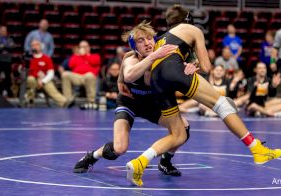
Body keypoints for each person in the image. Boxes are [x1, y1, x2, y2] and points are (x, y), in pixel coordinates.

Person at [126, 5, 281, 186]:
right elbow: (208, 67)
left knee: (178, 135)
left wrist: (186, 63)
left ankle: (139, 163)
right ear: (187, 19)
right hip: (173, 72)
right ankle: (257, 149)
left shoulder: (162, 39)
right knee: (222, 105)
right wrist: (195, 65)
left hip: (156, 82)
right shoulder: (192, 29)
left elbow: (166, 63)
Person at [73, 21, 198, 176]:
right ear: (134, 47)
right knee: (119, 148)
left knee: (183, 128)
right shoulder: (132, 60)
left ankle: (165, 161)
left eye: (149, 38)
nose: (147, 43)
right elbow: (130, 74)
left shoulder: (164, 59)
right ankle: (91, 156)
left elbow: (186, 66)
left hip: (152, 105)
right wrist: (151, 58)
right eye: (140, 40)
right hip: (129, 102)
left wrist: (188, 69)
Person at [26, 39, 68, 107]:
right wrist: (38, 77)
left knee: (50, 86)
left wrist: (43, 81)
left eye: (37, 44)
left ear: (41, 46)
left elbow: (51, 73)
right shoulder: (28, 59)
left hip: (44, 80)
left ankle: (64, 102)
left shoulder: (47, 58)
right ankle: (30, 101)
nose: (35, 46)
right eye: (33, 45)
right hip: (33, 80)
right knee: (30, 79)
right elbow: (29, 70)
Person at [61, 40, 101, 105]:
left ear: (89, 47)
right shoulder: (75, 56)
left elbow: (96, 62)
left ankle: (91, 101)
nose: (83, 48)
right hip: (77, 77)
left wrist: (85, 55)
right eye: (81, 47)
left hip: (89, 77)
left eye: (85, 47)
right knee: (65, 74)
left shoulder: (95, 56)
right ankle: (68, 100)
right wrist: (76, 55)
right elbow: (71, 65)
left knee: (89, 75)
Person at [0, 25, 14, 97]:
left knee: (8, 77)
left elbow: (12, 46)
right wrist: (6, 46)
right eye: (2, 30)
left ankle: (8, 91)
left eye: (5, 30)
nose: (4, 32)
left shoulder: (10, 39)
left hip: (7, 61)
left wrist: (3, 46)